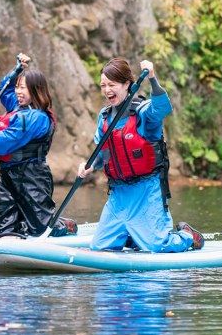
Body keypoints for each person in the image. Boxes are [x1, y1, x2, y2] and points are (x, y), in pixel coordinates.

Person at [77, 57, 204, 252]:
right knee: (99, 247)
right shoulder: (104, 117)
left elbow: (162, 108)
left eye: (112, 84)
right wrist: (90, 166)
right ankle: (133, 235)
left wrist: (152, 78)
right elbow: (104, 155)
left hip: (147, 190)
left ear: (127, 84)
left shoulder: (143, 112)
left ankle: (187, 236)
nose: (107, 90)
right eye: (103, 85)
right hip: (118, 195)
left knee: (157, 247)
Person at [0, 54, 76, 238]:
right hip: (8, 175)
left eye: (22, 88)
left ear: (35, 90)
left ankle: (66, 226)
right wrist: (16, 71)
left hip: (31, 176)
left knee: (42, 229)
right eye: (18, 87)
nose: (17, 91)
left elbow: (8, 141)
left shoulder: (36, 117)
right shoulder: (17, 106)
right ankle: (14, 233)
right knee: (3, 230)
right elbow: (4, 90)